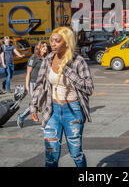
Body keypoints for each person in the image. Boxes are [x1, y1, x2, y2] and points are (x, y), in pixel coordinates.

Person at [29, 27, 94, 167]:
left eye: (57, 41)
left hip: (73, 111)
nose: (52, 44)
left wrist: (68, 72)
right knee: (51, 154)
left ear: (66, 43)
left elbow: (88, 88)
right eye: (51, 40)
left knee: (76, 153)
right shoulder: (47, 60)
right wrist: (33, 106)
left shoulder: (78, 61)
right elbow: (39, 85)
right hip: (52, 110)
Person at [17, 40, 49, 128]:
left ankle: (46, 123)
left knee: (46, 103)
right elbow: (28, 73)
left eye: (46, 46)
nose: (45, 48)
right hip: (34, 83)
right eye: (43, 47)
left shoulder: (47, 58)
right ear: (38, 48)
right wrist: (27, 86)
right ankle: (22, 116)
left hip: (44, 83)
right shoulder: (33, 58)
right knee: (35, 103)